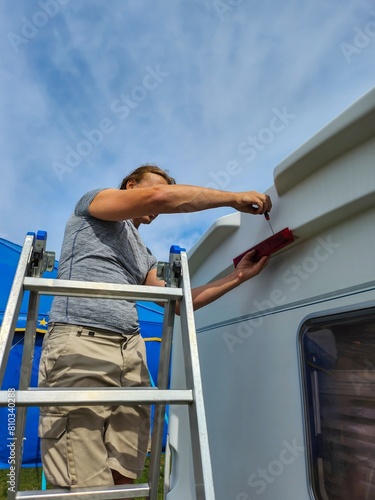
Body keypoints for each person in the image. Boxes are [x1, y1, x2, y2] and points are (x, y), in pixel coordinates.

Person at [38, 164, 272, 489]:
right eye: (151, 190)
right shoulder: (93, 205)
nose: (157, 207)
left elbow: (178, 303)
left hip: (130, 353)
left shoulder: (144, 255)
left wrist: (238, 276)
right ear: (130, 185)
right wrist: (233, 198)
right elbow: (159, 197)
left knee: (125, 469)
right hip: (81, 342)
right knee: (81, 480)